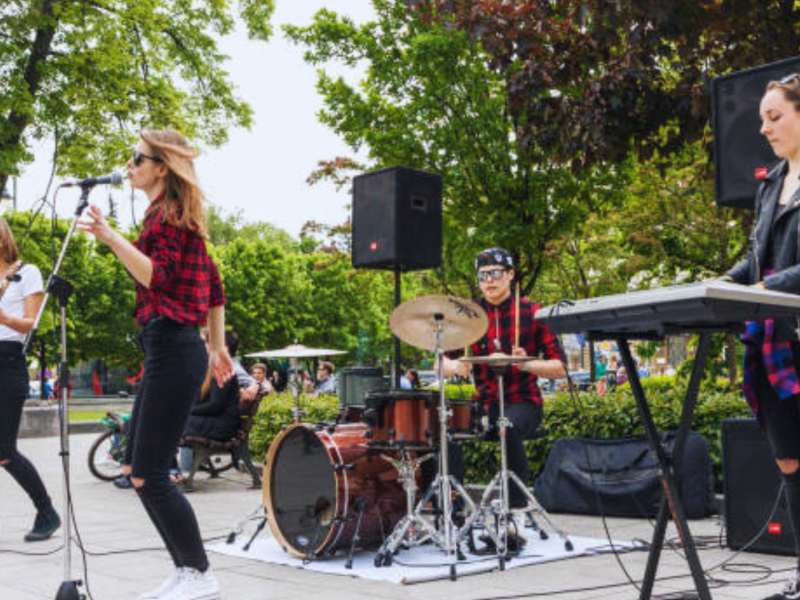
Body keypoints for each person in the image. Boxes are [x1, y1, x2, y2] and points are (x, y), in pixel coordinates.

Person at [78, 129, 234, 600]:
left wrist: (109, 237)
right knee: (136, 468)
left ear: (161, 167)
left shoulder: (166, 217)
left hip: (172, 347)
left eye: (138, 159)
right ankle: (186, 569)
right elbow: (216, 287)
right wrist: (217, 347)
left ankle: (200, 573)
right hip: (168, 349)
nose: (130, 165)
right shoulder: (172, 216)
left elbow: (156, 276)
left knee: (149, 472)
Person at [723, 74, 800, 600]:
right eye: (762, 118)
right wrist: (724, 282)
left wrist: (767, 283)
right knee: (790, 458)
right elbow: (758, 254)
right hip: (774, 342)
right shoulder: (771, 181)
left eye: (774, 116)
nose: (764, 126)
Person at [442, 247, 566, 547]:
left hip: (523, 402)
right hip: (482, 400)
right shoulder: (469, 316)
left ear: (510, 275)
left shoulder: (533, 313)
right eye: (483, 275)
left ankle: (515, 514)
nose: (489, 280)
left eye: (496, 273)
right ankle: (453, 513)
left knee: (505, 424)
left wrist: (525, 363)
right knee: (441, 431)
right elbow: (440, 360)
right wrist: (454, 365)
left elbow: (560, 367)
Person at [0, 218, 61, 542]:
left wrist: (4, 317)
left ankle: (46, 510)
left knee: (3, 449)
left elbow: (29, 324)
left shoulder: (27, 271)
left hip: (8, 364)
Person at [178, 331, 243, 476]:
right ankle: (166, 469)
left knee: (172, 424)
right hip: (213, 421)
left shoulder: (224, 371)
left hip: (221, 425)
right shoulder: (210, 369)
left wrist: (188, 411)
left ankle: (167, 470)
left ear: (222, 348)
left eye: (206, 343)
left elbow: (215, 406)